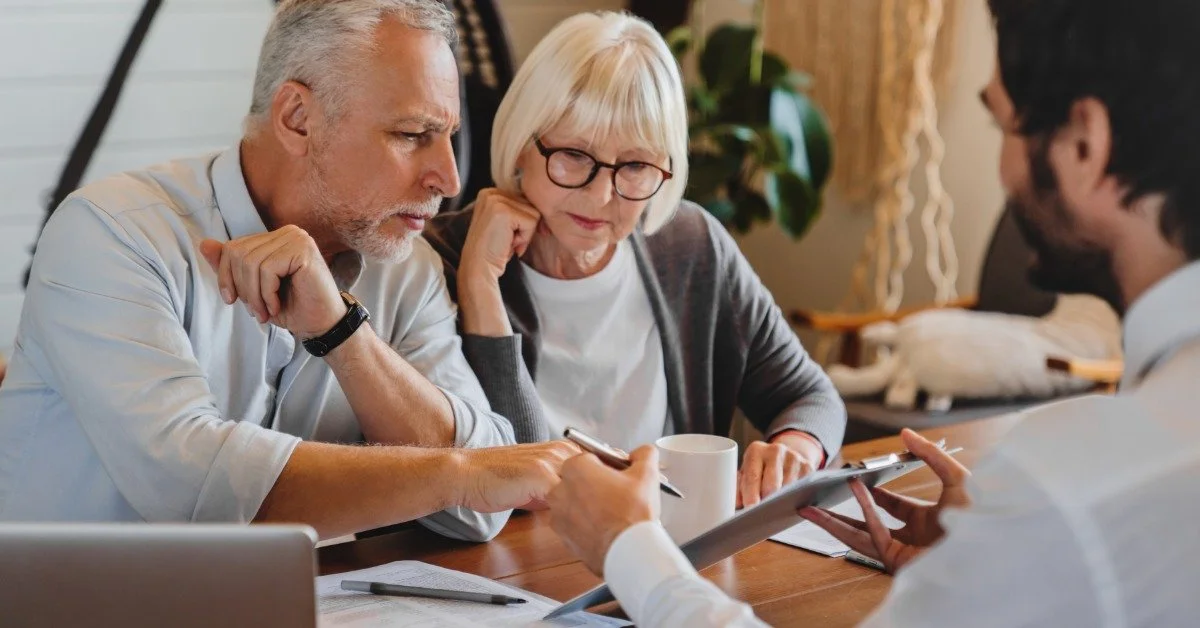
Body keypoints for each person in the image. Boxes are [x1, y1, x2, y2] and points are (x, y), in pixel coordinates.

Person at [546, 0, 1200, 624]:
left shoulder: (1068, 488)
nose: (1003, 167)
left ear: (1085, 143)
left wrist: (632, 552)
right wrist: (979, 572)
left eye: (1003, 126)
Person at [0, 0, 579, 542]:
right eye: (411, 135)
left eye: (447, 137)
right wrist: (458, 474)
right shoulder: (111, 232)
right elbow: (191, 491)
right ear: (298, 118)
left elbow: (482, 514)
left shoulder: (405, 264)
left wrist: (343, 336)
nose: (448, 180)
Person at [425, 11, 846, 508]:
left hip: (668, 555)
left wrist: (796, 447)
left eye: (636, 166)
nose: (602, 194)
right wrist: (479, 289)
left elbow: (811, 397)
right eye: (574, 155)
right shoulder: (443, 258)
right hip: (519, 569)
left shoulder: (689, 245)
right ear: (521, 144)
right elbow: (508, 477)